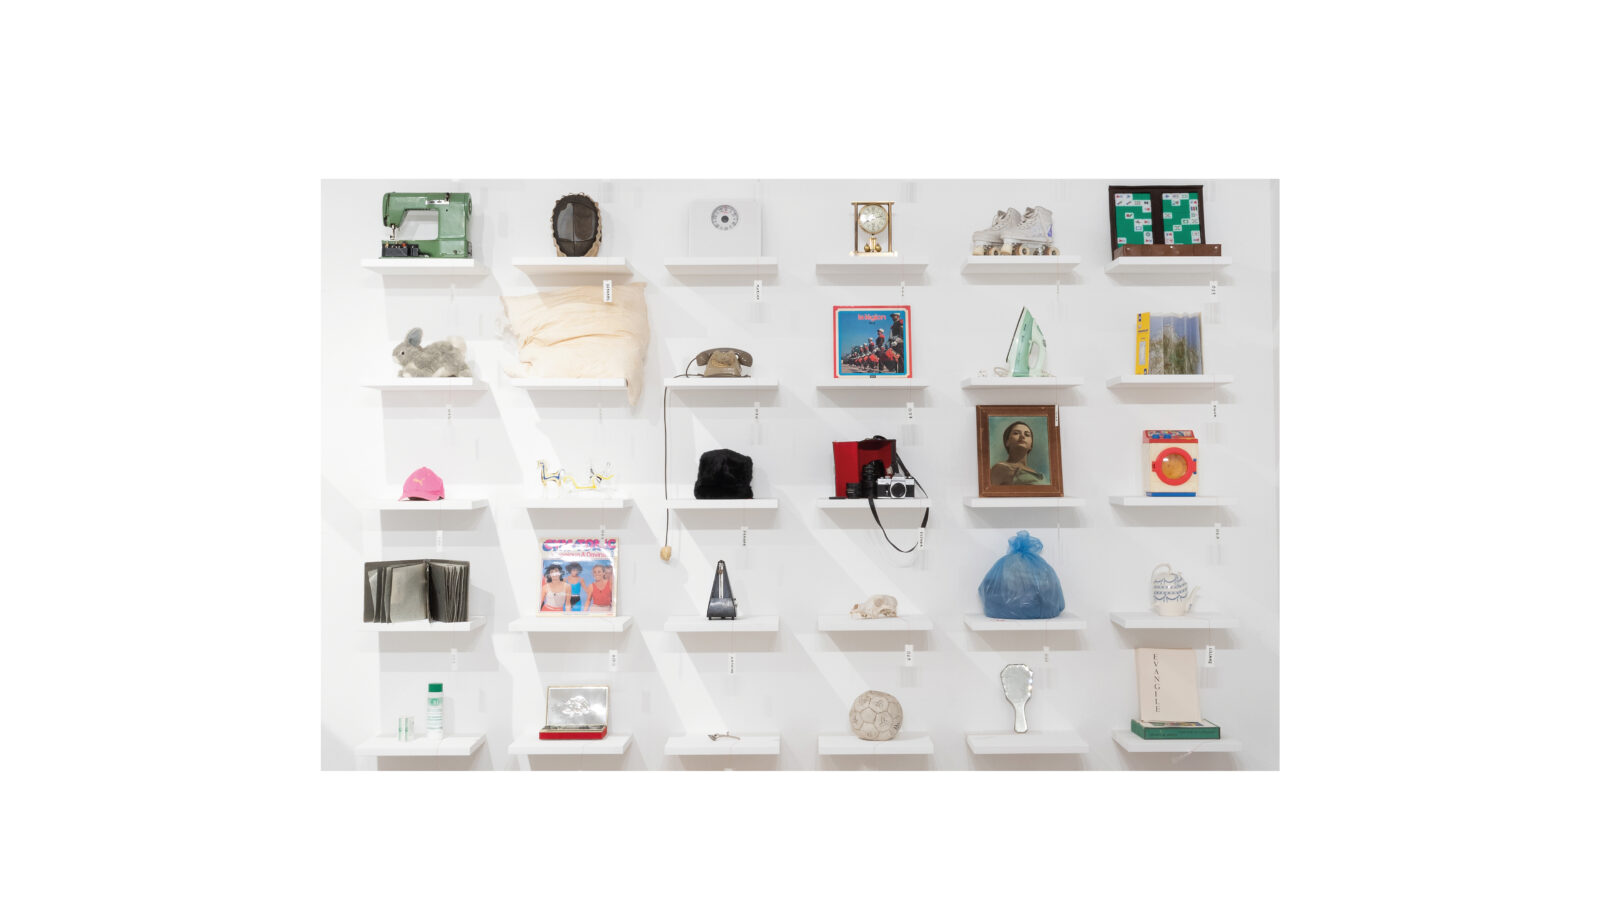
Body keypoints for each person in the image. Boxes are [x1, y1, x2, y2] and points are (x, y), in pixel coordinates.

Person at [989, 420, 1046, 485]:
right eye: (1016, 433)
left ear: (1031, 445)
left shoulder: (1036, 473)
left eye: (1027, 434)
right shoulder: (1000, 468)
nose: (1022, 436)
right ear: (1007, 442)